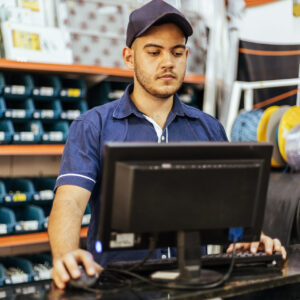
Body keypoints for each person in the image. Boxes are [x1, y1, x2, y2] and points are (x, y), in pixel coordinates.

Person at [48, 0, 286, 290]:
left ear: (186, 55)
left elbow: (230, 212)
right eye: (154, 52)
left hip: (193, 286)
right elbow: (70, 201)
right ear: (129, 57)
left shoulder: (208, 128)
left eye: (176, 52)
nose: (167, 62)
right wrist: (66, 254)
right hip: (121, 289)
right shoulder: (92, 126)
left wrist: (249, 238)